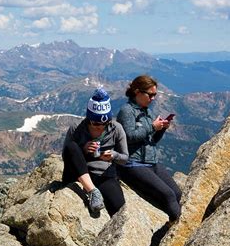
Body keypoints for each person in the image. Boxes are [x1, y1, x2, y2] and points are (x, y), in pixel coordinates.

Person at [117, 75, 182, 221]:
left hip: (151, 161)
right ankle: (178, 229)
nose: (153, 98)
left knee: (177, 193)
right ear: (137, 92)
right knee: (168, 195)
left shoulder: (147, 112)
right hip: (132, 163)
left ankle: (173, 221)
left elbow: (152, 140)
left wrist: (161, 129)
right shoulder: (127, 111)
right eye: (150, 95)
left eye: (155, 95)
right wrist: (152, 126)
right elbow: (129, 137)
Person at [62, 88, 128, 216]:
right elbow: (66, 155)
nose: (100, 126)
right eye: (96, 123)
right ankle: (92, 191)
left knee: (119, 207)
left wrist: (113, 156)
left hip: (102, 174)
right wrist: (84, 149)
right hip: (77, 173)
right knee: (72, 147)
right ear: (89, 118)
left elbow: (125, 158)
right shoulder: (76, 129)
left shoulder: (116, 129)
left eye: (104, 123)